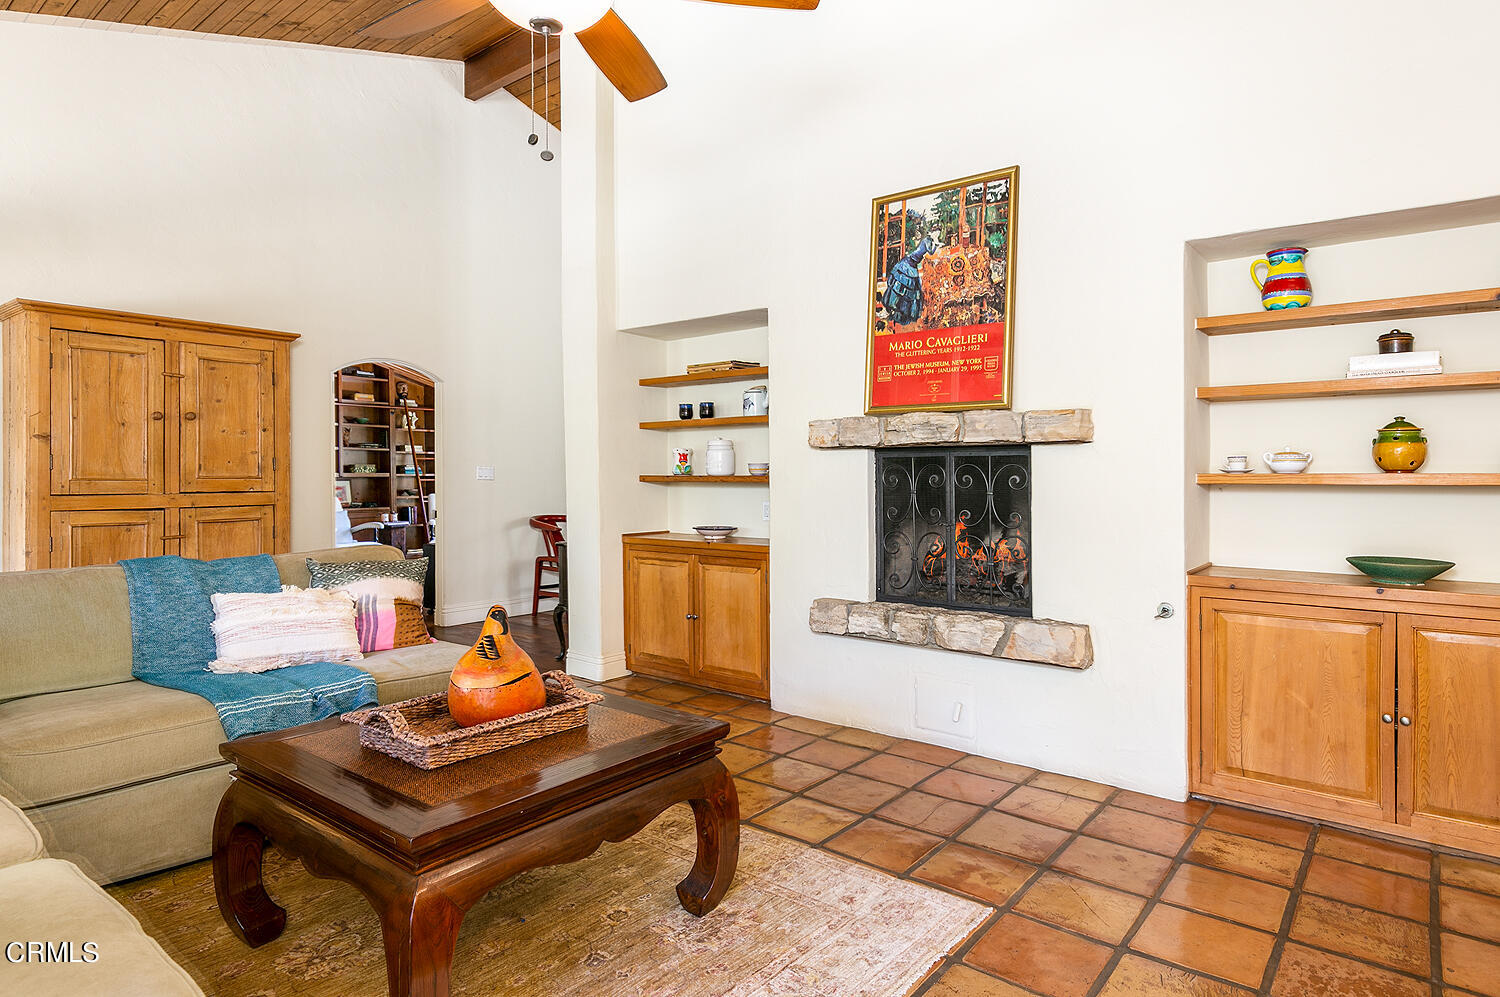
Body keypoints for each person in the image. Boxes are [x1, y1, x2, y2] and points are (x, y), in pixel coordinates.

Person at [882, 229, 940, 326]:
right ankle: (891, 308)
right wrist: (937, 242)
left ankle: (899, 313)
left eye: (938, 233)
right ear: (932, 233)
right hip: (908, 263)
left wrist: (936, 243)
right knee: (901, 286)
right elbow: (930, 252)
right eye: (936, 233)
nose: (937, 234)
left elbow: (931, 251)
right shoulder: (927, 240)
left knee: (909, 290)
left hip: (913, 264)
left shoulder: (930, 241)